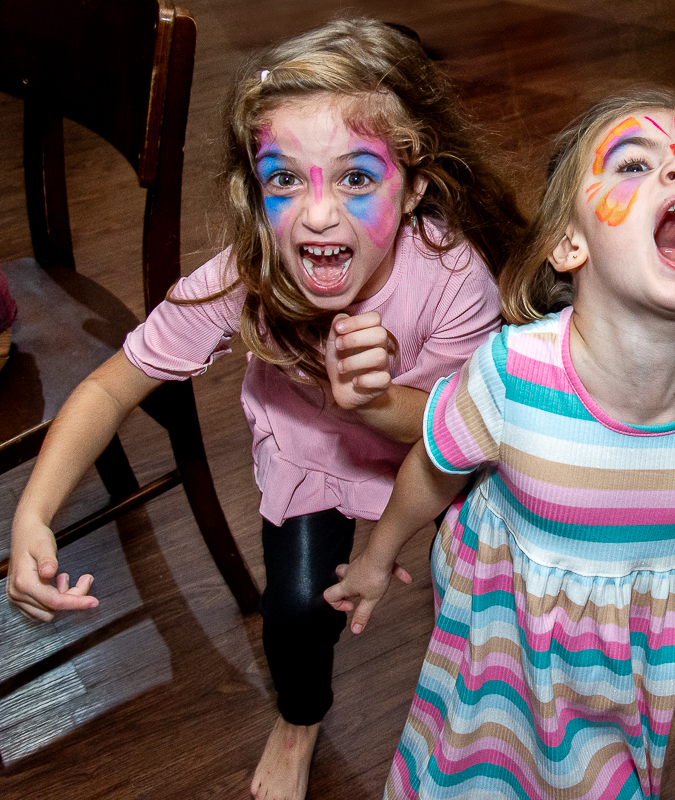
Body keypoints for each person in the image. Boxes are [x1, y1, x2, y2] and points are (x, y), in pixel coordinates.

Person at [5, 18, 525, 800]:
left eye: (356, 178)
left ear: (415, 186)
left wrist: (375, 402)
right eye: (285, 180)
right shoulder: (244, 278)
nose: (317, 215)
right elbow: (111, 386)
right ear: (256, 187)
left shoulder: (455, 277)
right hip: (314, 456)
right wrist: (33, 512)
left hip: (438, 455)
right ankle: (299, 719)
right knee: (294, 612)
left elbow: (456, 434)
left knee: (488, 597)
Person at [323, 87, 675, 799]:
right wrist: (374, 557)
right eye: (633, 165)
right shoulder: (513, 374)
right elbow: (435, 466)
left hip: (630, 646)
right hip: (500, 611)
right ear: (569, 244)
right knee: (481, 754)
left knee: (595, 773)